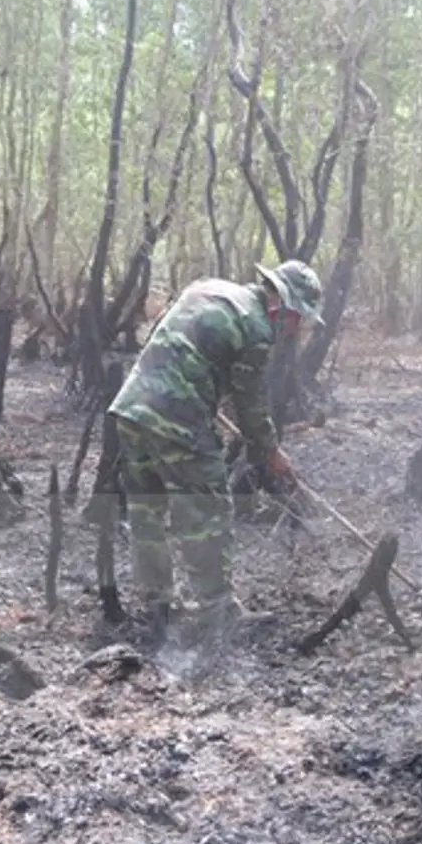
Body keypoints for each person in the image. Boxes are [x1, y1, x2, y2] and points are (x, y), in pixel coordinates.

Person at [108, 259, 323, 654]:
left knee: (147, 510)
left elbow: (163, 340)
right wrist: (271, 452)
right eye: (297, 318)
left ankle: (158, 604)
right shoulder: (256, 327)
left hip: (132, 409)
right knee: (207, 510)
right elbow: (251, 404)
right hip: (178, 419)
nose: (295, 329)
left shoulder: (207, 288)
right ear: (281, 304)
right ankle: (216, 610)